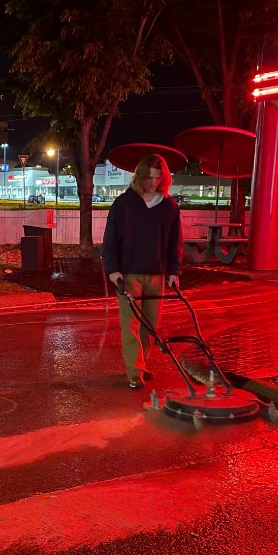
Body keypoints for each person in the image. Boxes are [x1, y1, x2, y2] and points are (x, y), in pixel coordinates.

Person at [101, 154, 182, 388]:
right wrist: (113, 270)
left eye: (158, 179)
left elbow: (175, 241)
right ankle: (134, 371)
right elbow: (110, 239)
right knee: (131, 325)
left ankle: (142, 363)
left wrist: (174, 271)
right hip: (129, 275)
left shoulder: (168, 206)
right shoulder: (124, 204)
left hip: (157, 274)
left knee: (150, 326)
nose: (153, 183)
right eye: (149, 178)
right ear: (140, 177)